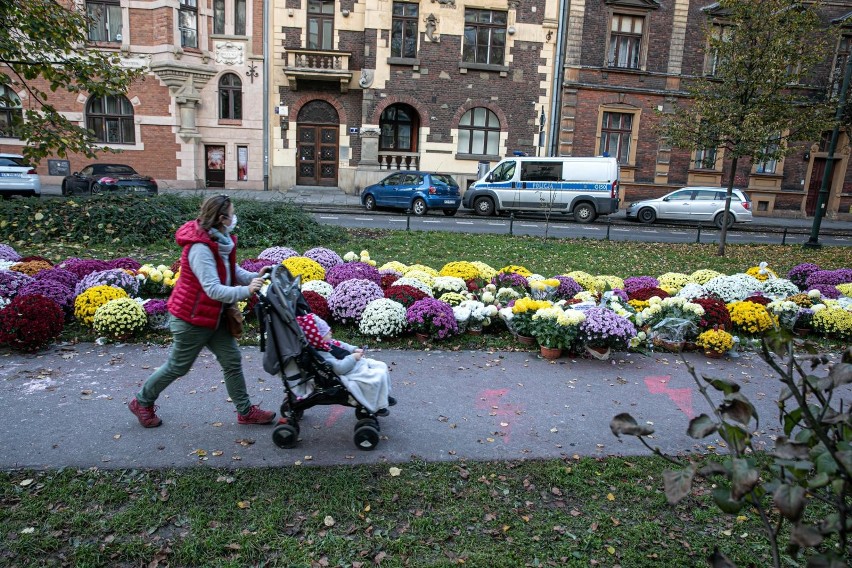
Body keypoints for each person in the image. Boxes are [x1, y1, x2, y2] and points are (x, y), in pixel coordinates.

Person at [129, 195, 275, 428]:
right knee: (179, 366)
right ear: (221, 218)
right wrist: (247, 290)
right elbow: (214, 289)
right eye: (231, 213)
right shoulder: (200, 248)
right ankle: (142, 401)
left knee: (232, 360)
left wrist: (256, 276)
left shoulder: (219, 239)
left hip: (214, 316)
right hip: (191, 318)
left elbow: (230, 269)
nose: (234, 217)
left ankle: (245, 411)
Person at [296, 313, 396, 416]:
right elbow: (339, 368)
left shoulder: (327, 343)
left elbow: (343, 345)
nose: (330, 332)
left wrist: (353, 349)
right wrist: (353, 357)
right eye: (326, 332)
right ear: (318, 338)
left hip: (355, 364)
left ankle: (383, 396)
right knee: (374, 378)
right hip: (348, 372)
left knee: (381, 366)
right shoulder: (322, 354)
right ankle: (377, 404)